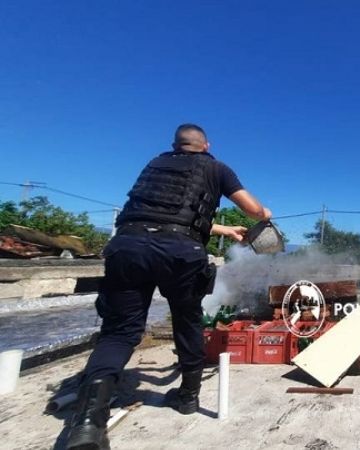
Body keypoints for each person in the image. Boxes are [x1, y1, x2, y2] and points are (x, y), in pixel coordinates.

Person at [65, 124, 272, 450]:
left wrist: (223, 230)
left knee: (119, 332)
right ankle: (188, 396)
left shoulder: (155, 164)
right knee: (187, 320)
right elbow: (253, 209)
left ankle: (88, 423)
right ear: (206, 146)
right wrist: (263, 213)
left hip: (128, 247)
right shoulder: (216, 168)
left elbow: (165, 218)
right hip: (180, 253)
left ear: (175, 145)